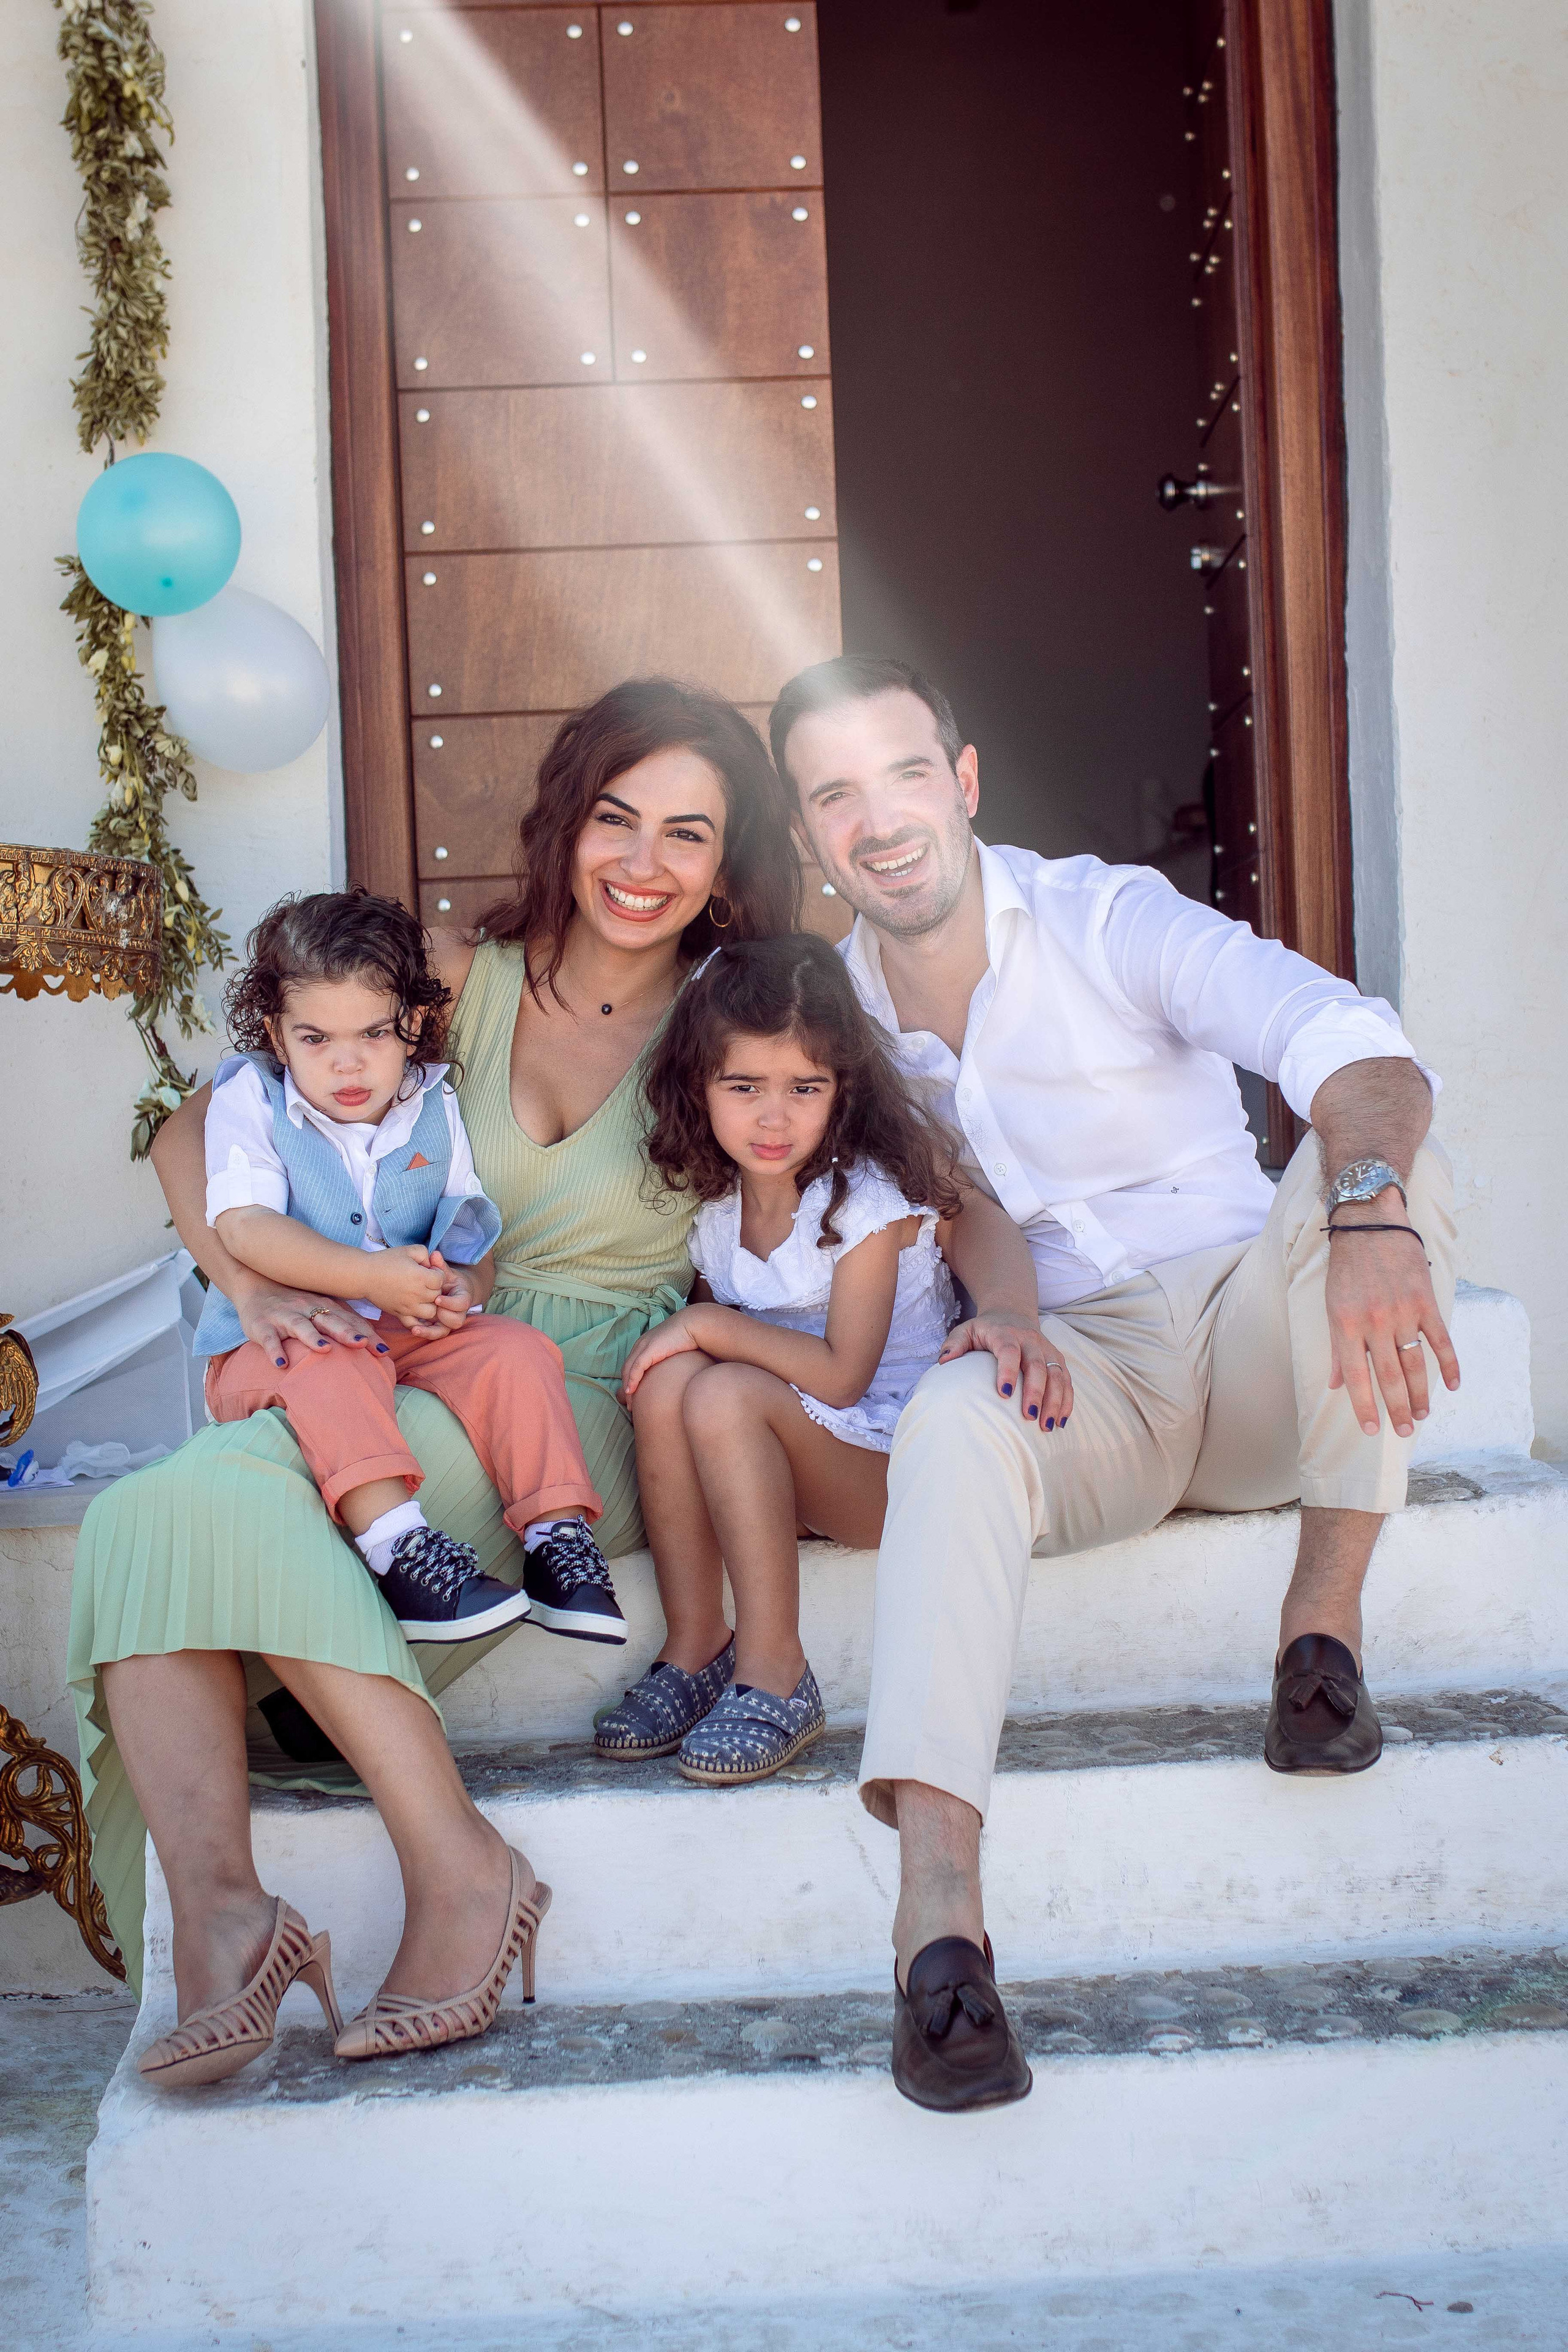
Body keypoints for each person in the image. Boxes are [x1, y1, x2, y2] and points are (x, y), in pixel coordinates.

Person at [72, 677, 799, 2070]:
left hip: (569, 1397)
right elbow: (197, 1127)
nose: (642, 864)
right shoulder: (459, 980)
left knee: (215, 1506)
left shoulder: (736, 1014)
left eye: (687, 834)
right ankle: (229, 1917)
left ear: (727, 862)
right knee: (143, 1511)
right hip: (382, 1349)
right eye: (616, 817)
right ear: (564, 820)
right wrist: (253, 1279)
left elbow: (839, 1194)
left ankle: (460, 1871)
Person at [771, 653, 1459, 2114]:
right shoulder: (824, 1012)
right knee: (955, 1417)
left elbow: (1353, 1046)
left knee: (1383, 1165)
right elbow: (911, 1201)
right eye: (833, 796)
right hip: (1088, 1378)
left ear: (961, 783)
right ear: (803, 839)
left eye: (902, 775)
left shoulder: (1101, 914)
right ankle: (937, 1921)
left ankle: (1316, 1637)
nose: (876, 820)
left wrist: (1363, 1208)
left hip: (1252, 1323)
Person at [601, 935, 1038, 1784]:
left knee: (717, 1384)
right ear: (700, 1085)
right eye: (744, 1088)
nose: (774, 1118)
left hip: (888, 1468)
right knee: (669, 1383)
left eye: (806, 1088)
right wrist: (697, 1340)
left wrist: (710, 1329)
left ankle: (778, 1671)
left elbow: (842, 1375)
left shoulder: (864, 1203)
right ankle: (696, 1648)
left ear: (843, 1091)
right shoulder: (715, 1202)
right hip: (790, 1453)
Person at [199, 888, 615, 1646]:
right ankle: (400, 1551)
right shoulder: (250, 1099)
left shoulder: (432, 1101)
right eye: (316, 1039)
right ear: (276, 1033)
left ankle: (557, 1543)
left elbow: (467, 1219)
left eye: (375, 1034)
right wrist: (366, 1279)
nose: (347, 1063)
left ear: (415, 1024)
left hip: (403, 1330)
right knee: (336, 1359)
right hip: (278, 1343)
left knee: (516, 1350)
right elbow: (245, 1225)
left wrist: (465, 1284)